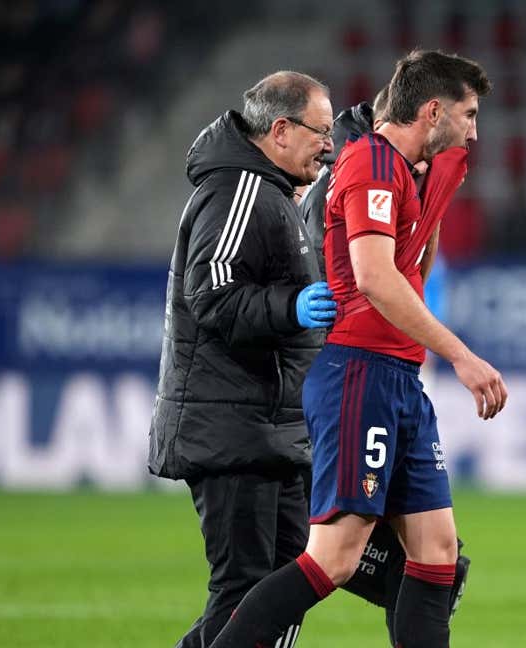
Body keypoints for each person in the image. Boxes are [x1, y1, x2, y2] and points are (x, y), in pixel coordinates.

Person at [210, 49, 506, 648]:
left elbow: (414, 264)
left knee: (437, 554)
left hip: (398, 377)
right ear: (432, 110)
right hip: (359, 374)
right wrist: (462, 355)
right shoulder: (370, 162)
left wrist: (437, 196)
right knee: (334, 558)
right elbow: (375, 277)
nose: (474, 130)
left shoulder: (408, 172)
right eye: (468, 114)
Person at [148, 70, 337, 648]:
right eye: (320, 132)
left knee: (279, 589)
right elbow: (212, 295)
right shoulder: (239, 190)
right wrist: (292, 307)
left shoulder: (274, 191)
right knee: (245, 590)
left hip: (268, 428)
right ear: (280, 130)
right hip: (231, 429)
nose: (327, 145)